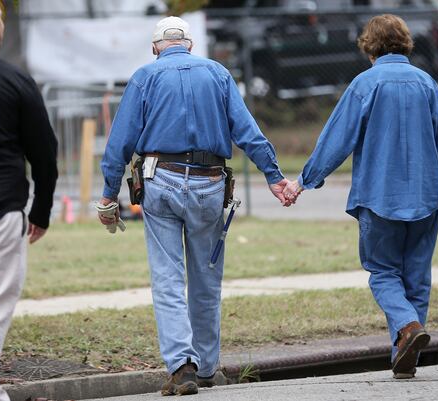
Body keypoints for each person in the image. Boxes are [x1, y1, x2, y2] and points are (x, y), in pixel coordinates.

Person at [98, 16, 290, 396]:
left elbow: (119, 142)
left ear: (156, 48)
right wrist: (274, 176)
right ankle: (205, 366)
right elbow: (247, 130)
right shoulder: (217, 74)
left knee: (168, 278)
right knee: (206, 278)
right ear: (189, 44)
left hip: (160, 179)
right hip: (210, 183)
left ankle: (181, 366)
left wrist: (108, 195)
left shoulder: (144, 77)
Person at [283, 14, 438, 379]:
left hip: (378, 196)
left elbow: (337, 139)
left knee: (382, 272)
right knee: (417, 276)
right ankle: (405, 352)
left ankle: (407, 329)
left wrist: (305, 180)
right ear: (405, 43)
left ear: (370, 48)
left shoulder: (364, 84)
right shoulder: (427, 83)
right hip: (425, 194)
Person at [0, 0, 58, 399]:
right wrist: (40, 211)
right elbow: (45, 155)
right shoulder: (13, 80)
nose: (2, 22)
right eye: (1, 16)